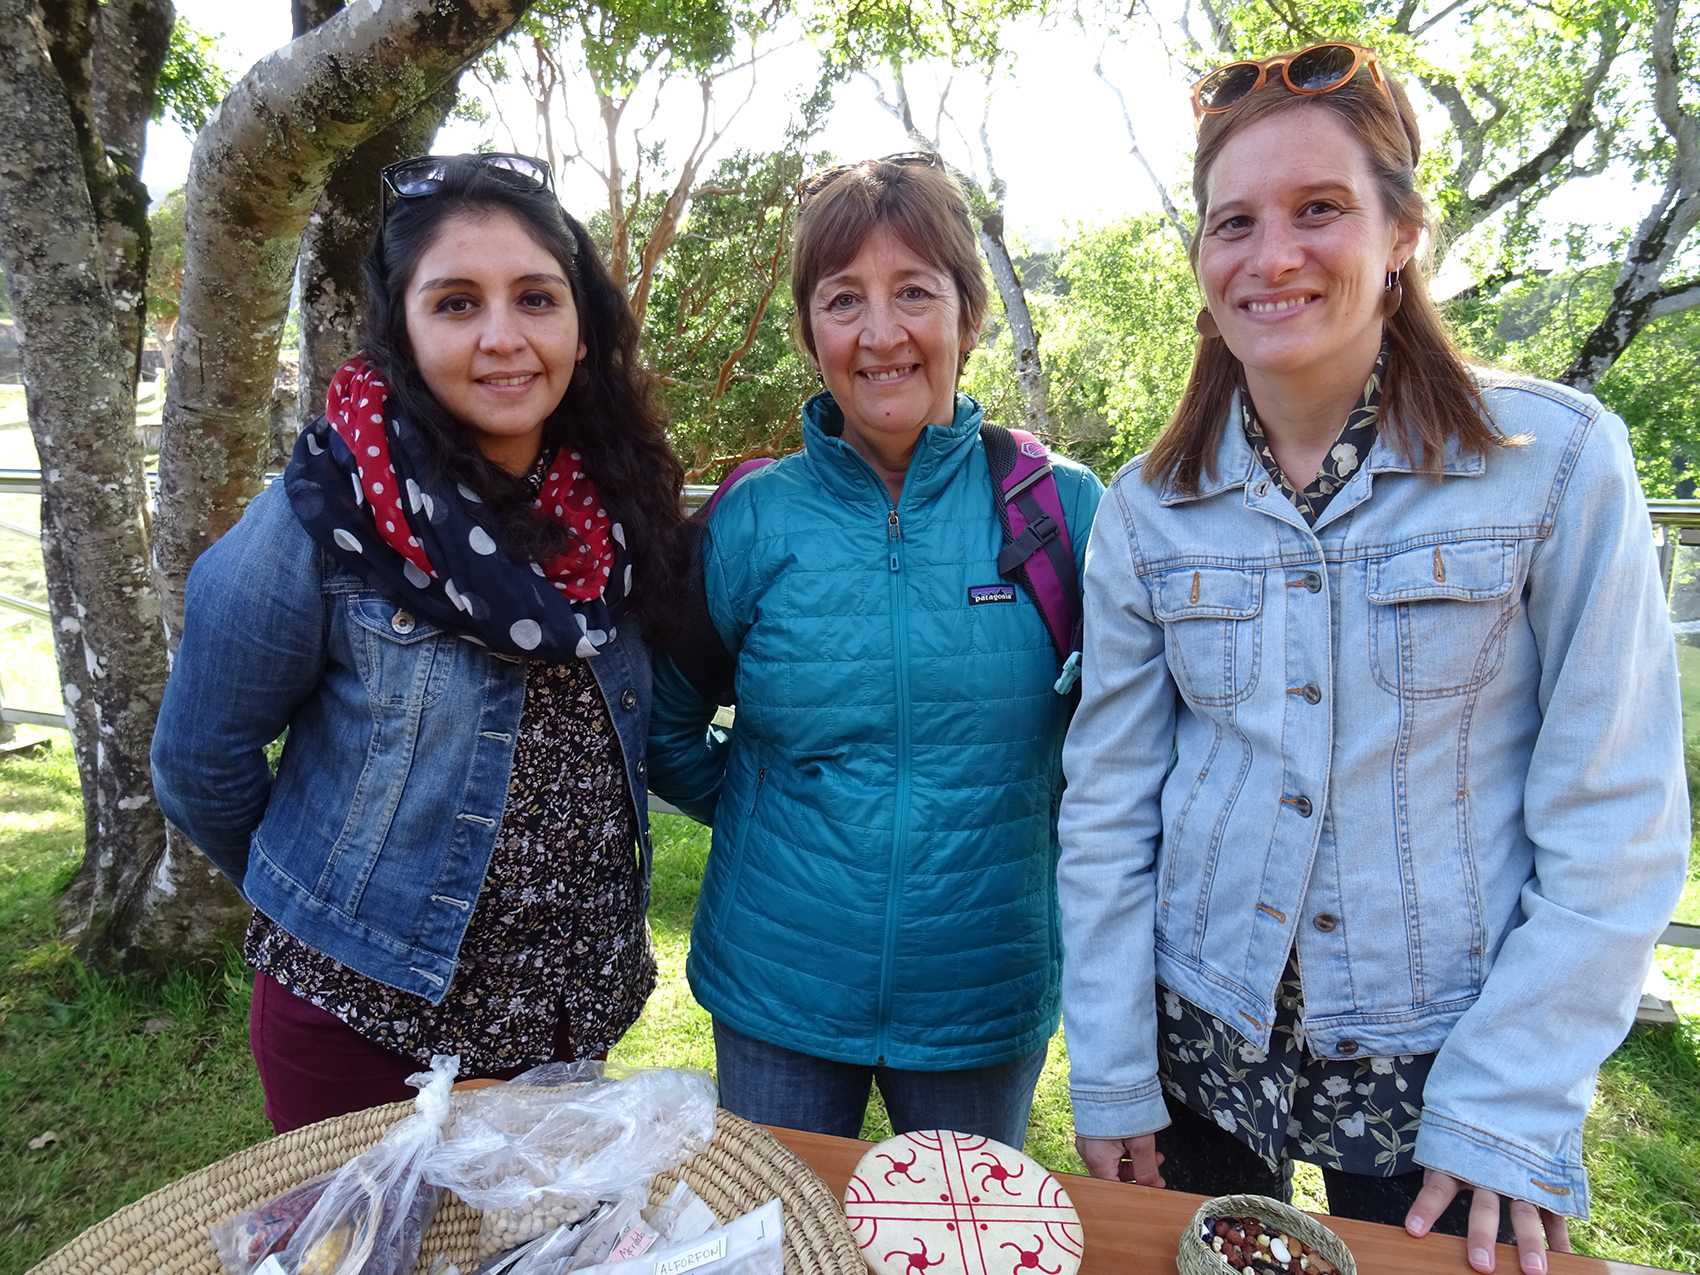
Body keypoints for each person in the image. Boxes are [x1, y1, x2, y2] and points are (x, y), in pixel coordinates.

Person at [1055, 42, 1688, 1275]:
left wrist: (1511, 1101)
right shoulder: (1146, 509)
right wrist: (1113, 1067)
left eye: (1318, 209)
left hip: (1450, 1075)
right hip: (1199, 1047)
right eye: (1232, 221)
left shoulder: (1552, 464)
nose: (1270, 255)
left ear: (1400, 233)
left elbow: (1613, 814)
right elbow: (1110, 806)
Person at [151, 153, 687, 1133]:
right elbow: (198, 762)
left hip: (562, 1019)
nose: (502, 337)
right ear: (400, 328)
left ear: (581, 327)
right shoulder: (326, 511)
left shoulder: (615, 503)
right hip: (362, 1026)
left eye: (535, 298)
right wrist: (329, 906)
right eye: (455, 303)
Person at [647, 154, 1103, 1145]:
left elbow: (1116, 755)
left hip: (980, 995)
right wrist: (771, 817)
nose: (880, 332)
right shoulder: (750, 521)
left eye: (914, 293)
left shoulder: (1063, 512)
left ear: (967, 317)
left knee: (962, 1233)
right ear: (810, 331)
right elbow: (664, 723)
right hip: (776, 990)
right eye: (843, 298)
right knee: (777, 1227)